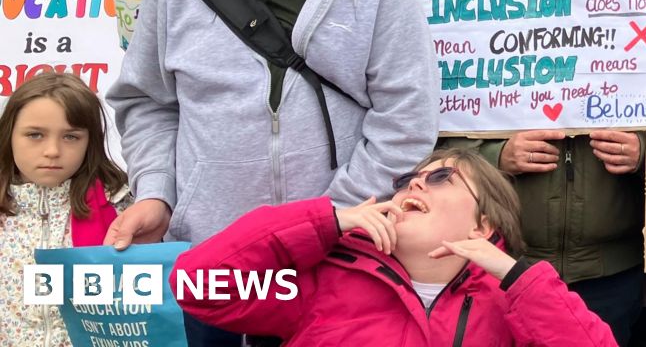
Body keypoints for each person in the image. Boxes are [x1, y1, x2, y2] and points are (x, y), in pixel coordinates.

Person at [104, 0, 439, 346]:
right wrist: (158, 193)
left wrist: (327, 221)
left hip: (336, 263)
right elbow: (147, 102)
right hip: (208, 262)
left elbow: (407, 118)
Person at [451, 0, 646, 345]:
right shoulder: (467, 9)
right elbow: (426, 135)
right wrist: (495, 155)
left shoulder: (640, 6)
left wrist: (642, 154)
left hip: (610, 272)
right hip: (498, 261)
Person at [173, 148, 618, 346]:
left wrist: (519, 278)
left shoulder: (511, 303)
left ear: (484, 223)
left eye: (442, 178)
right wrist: (324, 220)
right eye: (410, 180)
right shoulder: (324, 278)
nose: (418, 181)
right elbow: (197, 285)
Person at [0, 73, 130, 347]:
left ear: (90, 141)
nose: (52, 150)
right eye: (35, 135)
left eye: (71, 136)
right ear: (9, 133)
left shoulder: (120, 207)